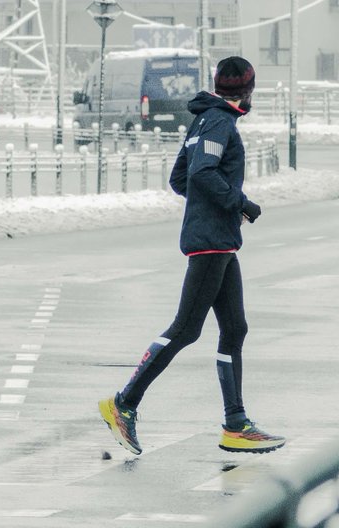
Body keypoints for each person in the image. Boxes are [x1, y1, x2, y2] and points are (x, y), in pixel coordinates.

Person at [98, 56, 285, 456]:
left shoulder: (204, 119)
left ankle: (235, 424)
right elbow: (200, 173)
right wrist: (239, 203)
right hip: (211, 240)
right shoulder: (220, 121)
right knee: (186, 329)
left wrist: (211, 206)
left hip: (217, 239)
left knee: (235, 329)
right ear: (249, 90)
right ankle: (123, 403)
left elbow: (179, 178)